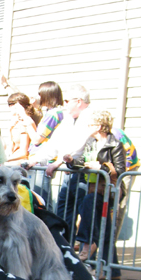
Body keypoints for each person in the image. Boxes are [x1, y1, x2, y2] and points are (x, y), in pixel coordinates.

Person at [59, 109, 125, 272]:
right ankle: (111, 269)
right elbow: (82, 162)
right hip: (94, 188)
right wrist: (71, 161)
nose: (89, 127)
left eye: (92, 124)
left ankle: (87, 244)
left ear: (101, 125)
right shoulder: (91, 142)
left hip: (109, 189)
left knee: (88, 204)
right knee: (105, 227)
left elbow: (121, 170)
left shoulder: (115, 144)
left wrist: (102, 167)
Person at [27, 84, 93, 228]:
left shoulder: (90, 117)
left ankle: (88, 250)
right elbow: (53, 144)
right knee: (64, 213)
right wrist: (34, 160)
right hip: (69, 174)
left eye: (68, 101)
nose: (65, 105)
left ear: (79, 101)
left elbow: (81, 145)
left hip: (86, 175)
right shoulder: (68, 119)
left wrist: (59, 163)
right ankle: (65, 246)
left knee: (87, 216)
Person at [6, 92, 37, 164]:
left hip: (21, 165)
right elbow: (11, 147)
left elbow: (23, 153)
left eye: (11, 104)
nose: (10, 107)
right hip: (13, 162)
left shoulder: (24, 122)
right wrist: (9, 129)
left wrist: (5, 160)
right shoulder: (15, 122)